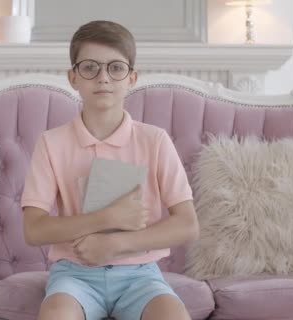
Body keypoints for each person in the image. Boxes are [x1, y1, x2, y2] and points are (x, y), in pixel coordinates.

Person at [21, 20, 199, 320]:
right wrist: (107, 218)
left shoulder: (154, 140)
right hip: (74, 275)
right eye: (90, 67)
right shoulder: (51, 143)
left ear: (132, 78)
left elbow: (187, 225)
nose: (103, 77)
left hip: (140, 275)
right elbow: (33, 229)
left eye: (116, 68)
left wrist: (116, 243)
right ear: (73, 77)